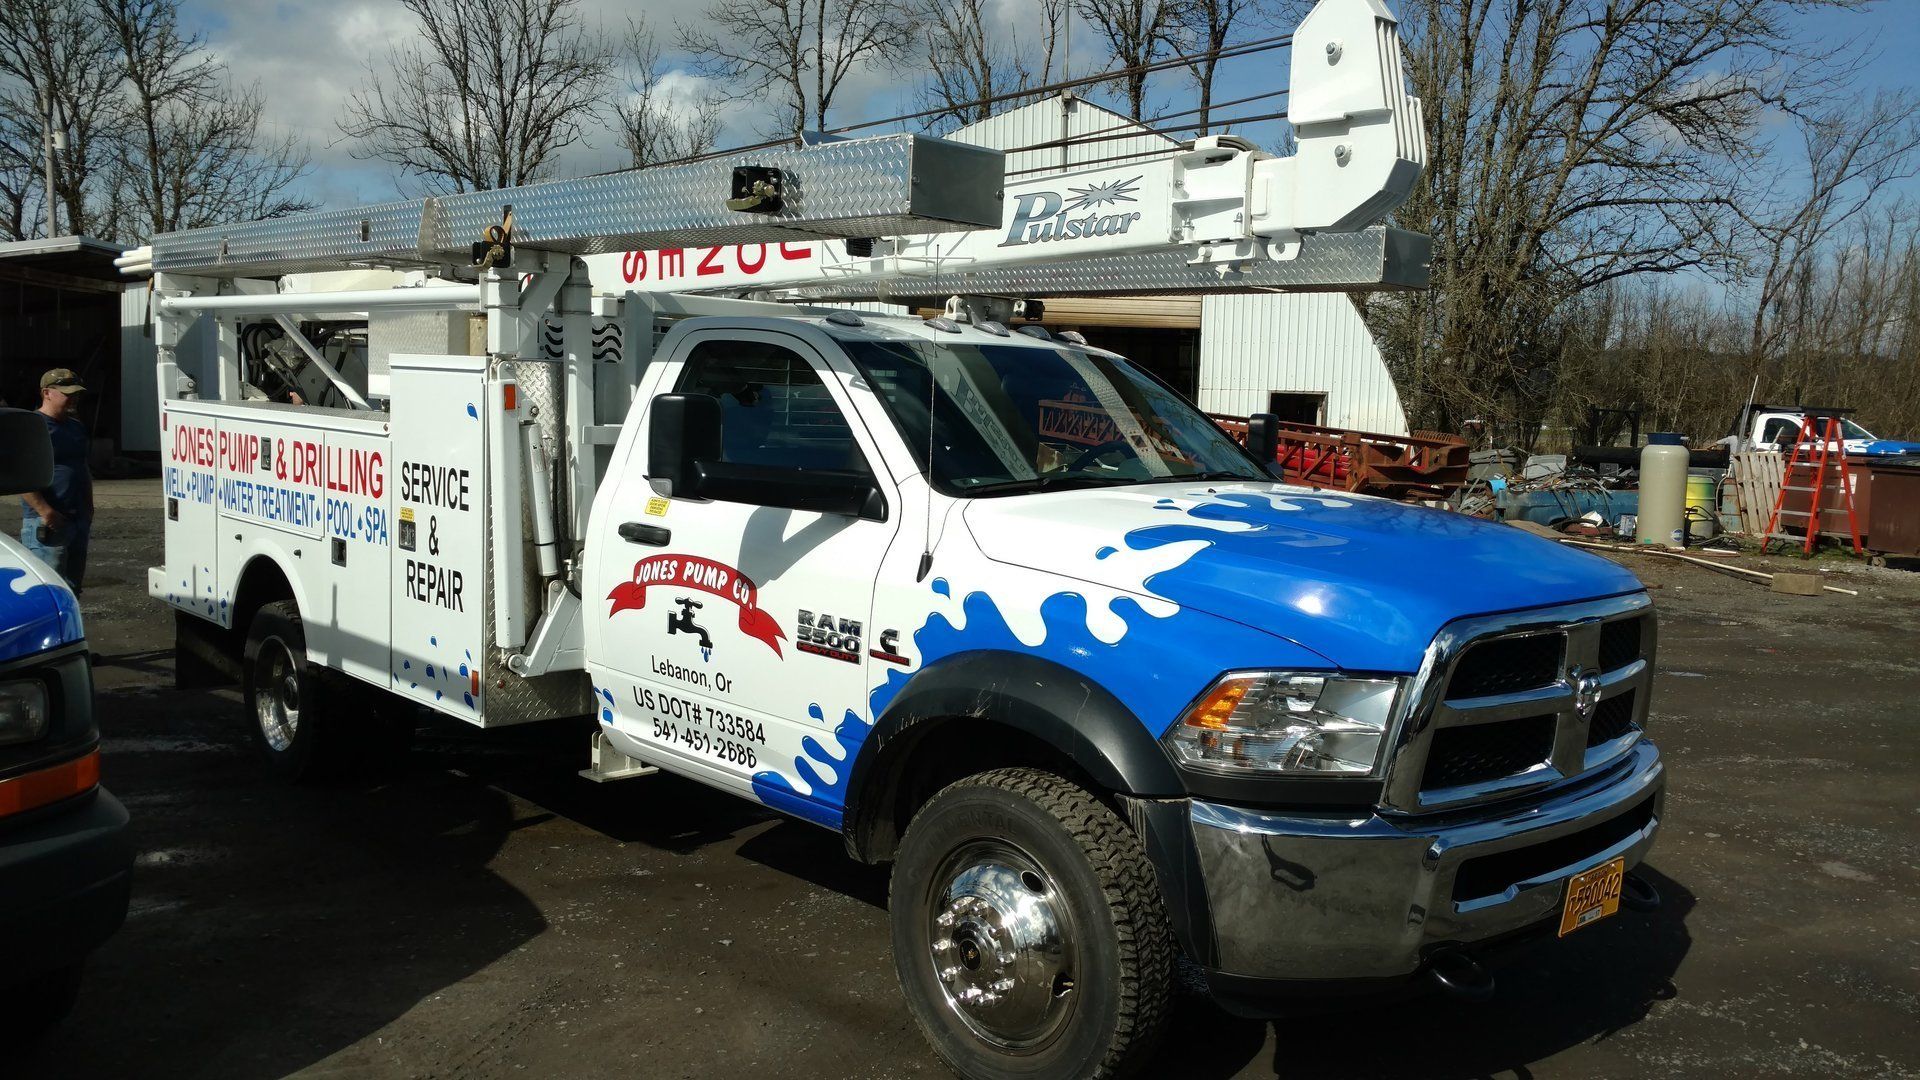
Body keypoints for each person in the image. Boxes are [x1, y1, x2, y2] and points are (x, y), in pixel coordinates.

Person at [19, 368, 93, 594]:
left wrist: (88, 507)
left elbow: (83, 467)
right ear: (46, 393)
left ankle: (70, 630)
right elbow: (22, 475)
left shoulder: (76, 427)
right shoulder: (33, 427)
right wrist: (46, 511)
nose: (73, 398)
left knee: (72, 590)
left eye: (76, 394)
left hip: (77, 519)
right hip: (48, 522)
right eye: (67, 393)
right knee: (49, 590)